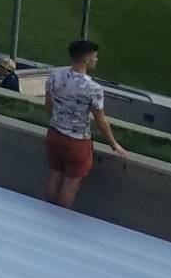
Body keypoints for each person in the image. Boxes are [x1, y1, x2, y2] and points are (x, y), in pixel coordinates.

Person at [45, 40, 127, 209]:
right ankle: (58, 225)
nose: (96, 60)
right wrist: (113, 143)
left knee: (54, 176)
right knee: (70, 187)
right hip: (77, 142)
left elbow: (48, 104)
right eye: (95, 57)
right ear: (86, 58)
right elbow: (100, 119)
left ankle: (47, 214)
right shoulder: (93, 88)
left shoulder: (55, 75)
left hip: (54, 134)